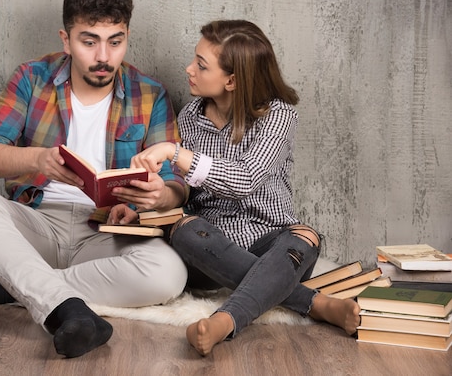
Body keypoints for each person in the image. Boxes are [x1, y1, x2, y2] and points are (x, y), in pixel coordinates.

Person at [0, 0, 188, 358]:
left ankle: (13, 287)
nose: (103, 56)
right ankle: (65, 309)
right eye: (89, 42)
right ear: (66, 39)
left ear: (126, 37)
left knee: (170, 274)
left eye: (115, 42)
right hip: (37, 224)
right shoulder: (31, 78)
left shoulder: (150, 93)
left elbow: (176, 185)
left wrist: (159, 196)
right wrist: (37, 158)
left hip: (107, 232)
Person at [115, 20, 361, 356]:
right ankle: (315, 304)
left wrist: (175, 152)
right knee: (184, 229)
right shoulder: (189, 117)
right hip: (208, 252)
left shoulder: (278, 116)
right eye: (194, 60)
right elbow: (182, 191)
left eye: (201, 65)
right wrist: (144, 202)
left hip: (269, 239)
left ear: (231, 80)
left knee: (306, 237)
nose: (189, 69)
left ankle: (224, 321)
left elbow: (245, 179)